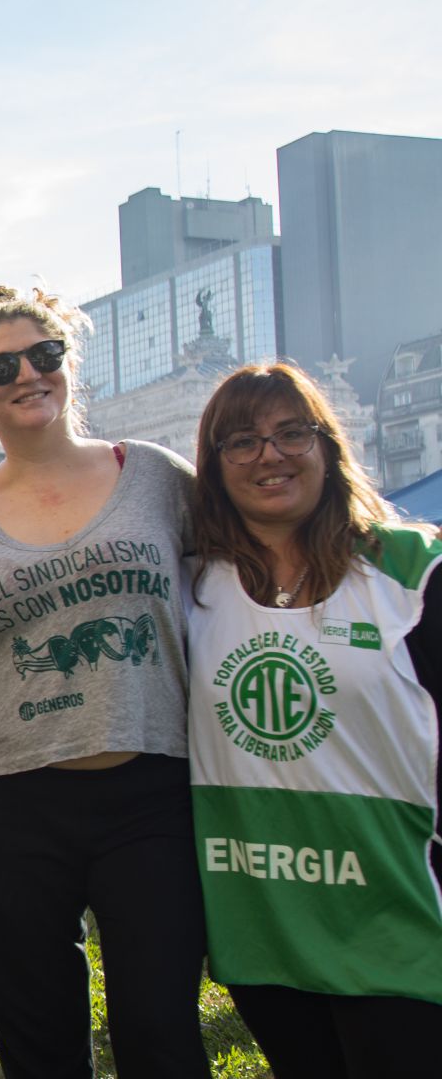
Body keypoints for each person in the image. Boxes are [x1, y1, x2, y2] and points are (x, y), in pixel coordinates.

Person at [0, 286, 208, 1078]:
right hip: (8, 798)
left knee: (161, 1027)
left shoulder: (156, 478)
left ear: (68, 366)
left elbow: (242, 584)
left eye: (44, 355)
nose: (27, 375)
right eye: (1, 366)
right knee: (37, 1039)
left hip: (151, 786)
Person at [186, 363, 442, 1078]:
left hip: (403, 918)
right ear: (214, 467)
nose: (269, 454)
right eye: (241, 441)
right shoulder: (191, 586)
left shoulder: (412, 571)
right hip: (263, 928)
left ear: (327, 446)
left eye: (291, 432)